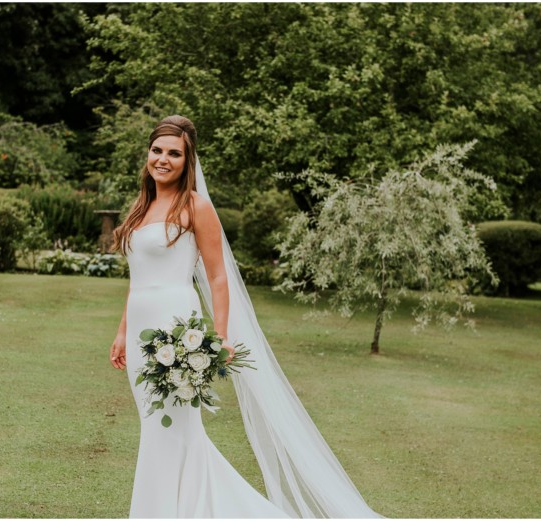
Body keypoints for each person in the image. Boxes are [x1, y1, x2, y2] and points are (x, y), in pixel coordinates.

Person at [109, 115, 381, 518]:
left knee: (170, 426)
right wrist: (121, 332)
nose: (163, 160)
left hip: (176, 332)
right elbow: (139, 281)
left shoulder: (195, 207)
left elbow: (218, 277)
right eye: (157, 150)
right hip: (140, 332)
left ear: (188, 161)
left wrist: (216, 339)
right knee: (161, 426)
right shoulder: (141, 205)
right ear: (147, 153)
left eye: (174, 153)